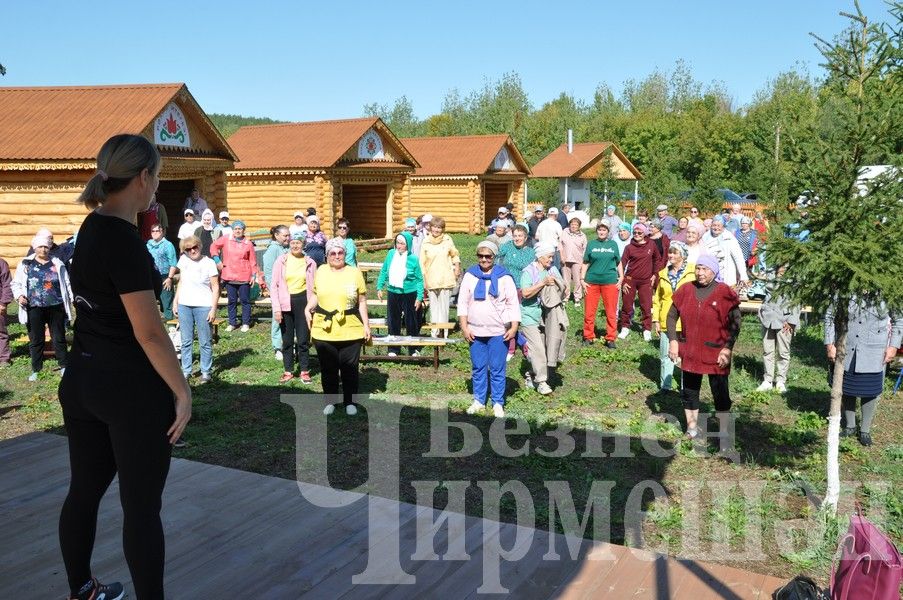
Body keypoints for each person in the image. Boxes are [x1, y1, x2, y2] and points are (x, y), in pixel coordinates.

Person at [59, 134, 191, 600]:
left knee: (84, 490)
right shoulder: (124, 243)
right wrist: (182, 391)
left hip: (82, 381)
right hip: (129, 391)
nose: (156, 187)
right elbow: (150, 333)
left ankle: (83, 589)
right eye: (156, 178)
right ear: (142, 178)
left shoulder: (91, 228)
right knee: (140, 509)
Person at [667, 255, 740, 440]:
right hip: (690, 349)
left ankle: (724, 431)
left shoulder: (725, 292)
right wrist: (673, 341)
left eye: (704, 269)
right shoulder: (686, 289)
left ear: (714, 271)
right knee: (690, 390)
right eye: (698, 268)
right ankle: (691, 429)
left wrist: (728, 347)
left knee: (720, 392)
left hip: (716, 350)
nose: (700, 273)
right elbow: (671, 316)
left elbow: (736, 322)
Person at [305, 238, 371, 416]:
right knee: (328, 367)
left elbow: (362, 301)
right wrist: (307, 307)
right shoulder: (321, 271)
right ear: (326, 256)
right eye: (332, 253)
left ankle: (350, 401)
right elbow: (316, 294)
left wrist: (366, 325)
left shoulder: (354, 272)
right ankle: (330, 402)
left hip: (350, 326)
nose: (336, 256)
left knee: (350, 366)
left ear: (345, 254)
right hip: (324, 328)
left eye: (340, 252)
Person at [825, 298, 903, 447]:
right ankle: (850, 426)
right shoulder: (846, 286)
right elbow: (830, 315)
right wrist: (829, 343)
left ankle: (865, 430)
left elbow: (899, 320)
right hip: (847, 346)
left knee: (870, 389)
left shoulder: (886, 289)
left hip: (874, 349)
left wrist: (893, 346)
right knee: (847, 386)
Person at [458, 241, 520, 418]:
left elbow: (512, 303)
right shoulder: (470, 276)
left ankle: (498, 402)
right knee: (478, 367)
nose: (484, 259)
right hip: (475, 331)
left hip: (498, 331)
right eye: (481, 256)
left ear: (494, 257)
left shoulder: (504, 277)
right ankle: (478, 400)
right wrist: (464, 327)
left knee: (497, 368)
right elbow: (462, 303)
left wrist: (514, 327)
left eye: (488, 256)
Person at [12, 232, 74, 381]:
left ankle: (64, 366)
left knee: (59, 338)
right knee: (36, 339)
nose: (43, 250)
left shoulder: (57, 263)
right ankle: (36, 369)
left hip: (56, 306)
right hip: (34, 307)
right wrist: (20, 295)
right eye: (40, 246)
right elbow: (16, 283)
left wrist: (71, 299)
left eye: (46, 247)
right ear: (34, 247)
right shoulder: (25, 264)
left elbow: (67, 283)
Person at [520, 242, 567, 395]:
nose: (551, 260)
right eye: (549, 257)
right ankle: (541, 381)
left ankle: (530, 375)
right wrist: (542, 283)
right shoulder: (528, 271)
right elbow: (525, 293)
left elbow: (563, 288)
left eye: (553, 257)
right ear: (540, 257)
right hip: (529, 315)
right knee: (538, 348)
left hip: (547, 316)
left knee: (545, 347)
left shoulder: (552, 270)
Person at [173, 235, 219, 384]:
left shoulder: (209, 263)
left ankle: (206, 371)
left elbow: (216, 287)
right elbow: (181, 282)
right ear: (184, 251)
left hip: (203, 305)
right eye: (188, 249)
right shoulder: (183, 261)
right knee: (186, 340)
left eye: (195, 247)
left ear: (199, 246)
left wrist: (213, 309)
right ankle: (186, 371)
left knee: (205, 341)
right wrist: (175, 301)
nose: (192, 251)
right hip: (184, 305)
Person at [272, 232, 317, 384]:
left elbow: (315, 287)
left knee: (303, 339)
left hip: (303, 301)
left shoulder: (310, 262)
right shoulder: (281, 260)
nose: (295, 245)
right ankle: (288, 370)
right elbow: (274, 286)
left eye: (298, 243)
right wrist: (277, 309)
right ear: (289, 244)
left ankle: (304, 370)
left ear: (303, 244)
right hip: (285, 301)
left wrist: (312, 306)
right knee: (287, 339)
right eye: (292, 243)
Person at [652, 242, 695, 392]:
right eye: (670, 253)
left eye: (675, 253)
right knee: (666, 354)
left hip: (687, 320)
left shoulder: (693, 272)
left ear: (682, 255)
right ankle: (666, 386)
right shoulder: (663, 273)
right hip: (667, 319)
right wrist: (656, 319)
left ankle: (686, 387)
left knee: (686, 355)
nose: (671, 256)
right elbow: (658, 298)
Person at [376, 232, 424, 357]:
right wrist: (379, 287)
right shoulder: (391, 254)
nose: (399, 246)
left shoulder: (413, 259)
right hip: (393, 292)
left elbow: (419, 280)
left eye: (402, 243)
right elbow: (384, 271)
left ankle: (413, 349)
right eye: (398, 243)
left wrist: (419, 297)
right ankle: (393, 348)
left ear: (408, 244)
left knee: (411, 321)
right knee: (393, 321)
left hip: (409, 293)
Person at [210, 219, 261, 332]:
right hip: (229, 275)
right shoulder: (226, 239)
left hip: (244, 276)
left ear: (243, 230)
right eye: (236, 229)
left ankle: (245, 323)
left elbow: (253, 261)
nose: (237, 231)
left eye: (240, 229)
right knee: (231, 301)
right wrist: (217, 259)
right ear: (232, 230)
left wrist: (253, 275)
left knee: (245, 301)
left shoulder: (248, 244)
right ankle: (232, 323)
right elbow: (213, 246)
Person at [756, 265, 800, 394]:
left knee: (783, 352)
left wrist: (792, 321)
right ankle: (767, 380)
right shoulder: (770, 271)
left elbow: (797, 300)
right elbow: (766, 294)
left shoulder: (794, 273)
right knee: (767, 350)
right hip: (768, 317)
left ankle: (780, 381)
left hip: (785, 320)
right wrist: (762, 311)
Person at [582, 220, 623, 347]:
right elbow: (585, 262)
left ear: (608, 231)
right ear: (596, 231)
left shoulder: (613, 244)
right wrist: (582, 279)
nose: (601, 232)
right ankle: (588, 336)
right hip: (591, 282)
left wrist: (621, 277)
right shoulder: (591, 244)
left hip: (610, 282)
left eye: (604, 230)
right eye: (599, 229)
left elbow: (618, 262)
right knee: (589, 311)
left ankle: (610, 338)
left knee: (611, 312)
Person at [419, 216, 461, 337]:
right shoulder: (425, 241)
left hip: (445, 277)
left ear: (442, 229)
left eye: (439, 227)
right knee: (434, 308)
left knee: (444, 308)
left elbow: (454, 254)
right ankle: (434, 333)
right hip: (431, 278)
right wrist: (423, 279)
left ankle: (444, 333)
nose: (436, 230)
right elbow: (421, 262)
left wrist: (457, 266)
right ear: (430, 227)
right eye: (434, 227)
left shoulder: (448, 239)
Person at [618, 222, 660, 341]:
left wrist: (654, 274)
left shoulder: (651, 244)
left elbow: (657, 259)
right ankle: (625, 327)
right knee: (626, 305)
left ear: (644, 233)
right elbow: (622, 263)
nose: (637, 234)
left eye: (639, 232)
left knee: (646, 306)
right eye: (635, 232)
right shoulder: (629, 247)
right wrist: (623, 281)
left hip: (646, 281)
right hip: (630, 280)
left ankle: (646, 329)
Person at [262, 225, 290, 360]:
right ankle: (277, 347)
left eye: (288, 235)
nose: (287, 238)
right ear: (277, 235)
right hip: (278, 291)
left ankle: (289, 344)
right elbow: (268, 272)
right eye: (285, 236)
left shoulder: (289, 248)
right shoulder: (273, 249)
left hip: (291, 290)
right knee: (278, 318)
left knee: (290, 318)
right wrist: (273, 291)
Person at [703, 216, 748, 289]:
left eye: (719, 225)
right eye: (714, 225)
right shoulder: (705, 237)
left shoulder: (729, 238)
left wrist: (743, 275)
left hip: (726, 275)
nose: (716, 228)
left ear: (723, 227)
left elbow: (738, 257)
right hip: (709, 275)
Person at [145, 225, 178, 320]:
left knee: (166, 302)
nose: (155, 233)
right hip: (151, 277)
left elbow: (173, 263)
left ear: (162, 232)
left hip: (164, 277)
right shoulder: (148, 245)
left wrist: (170, 278)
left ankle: (171, 326)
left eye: (157, 231)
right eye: (153, 231)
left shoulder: (168, 245)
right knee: (151, 302)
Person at [560, 216, 587, 307]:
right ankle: (565, 297)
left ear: (579, 226)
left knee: (577, 280)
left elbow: (585, 249)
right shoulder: (564, 232)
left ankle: (577, 298)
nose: (574, 226)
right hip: (565, 259)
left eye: (576, 225)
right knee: (565, 280)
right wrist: (561, 256)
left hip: (577, 260)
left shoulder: (582, 236)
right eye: (572, 224)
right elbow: (560, 244)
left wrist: (583, 261)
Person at [0, 257, 11, 367]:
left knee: (1, 332)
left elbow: (7, 283)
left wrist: (3, 303)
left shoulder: (1, 263)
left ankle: (4, 358)